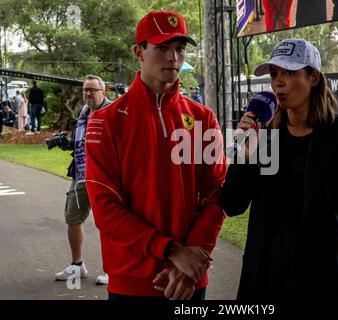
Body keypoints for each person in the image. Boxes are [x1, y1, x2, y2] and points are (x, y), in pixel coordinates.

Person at [220, 38, 338, 300]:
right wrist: (244, 154)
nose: (278, 82)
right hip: (265, 281)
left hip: (326, 281)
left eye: (289, 72)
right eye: (274, 74)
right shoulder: (265, 135)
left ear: (314, 77)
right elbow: (232, 204)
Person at [85, 10, 227, 300]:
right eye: (162, 48)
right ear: (139, 52)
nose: (173, 57)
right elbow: (105, 208)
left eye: (179, 48)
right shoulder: (106, 121)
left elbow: (217, 194)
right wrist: (173, 251)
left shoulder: (203, 118)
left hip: (189, 282)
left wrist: (190, 264)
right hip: (132, 281)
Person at [53, 75, 111, 285]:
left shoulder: (111, 112)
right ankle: (77, 265)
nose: (88, 93)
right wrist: (68, 143)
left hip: (105, 177)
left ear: (103, 91)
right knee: (72, 218)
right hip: (80, 174)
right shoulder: (84, 113)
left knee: (108, 224)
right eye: (85, 89)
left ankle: (110, 269)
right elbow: (84, 142)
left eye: (92, 90)